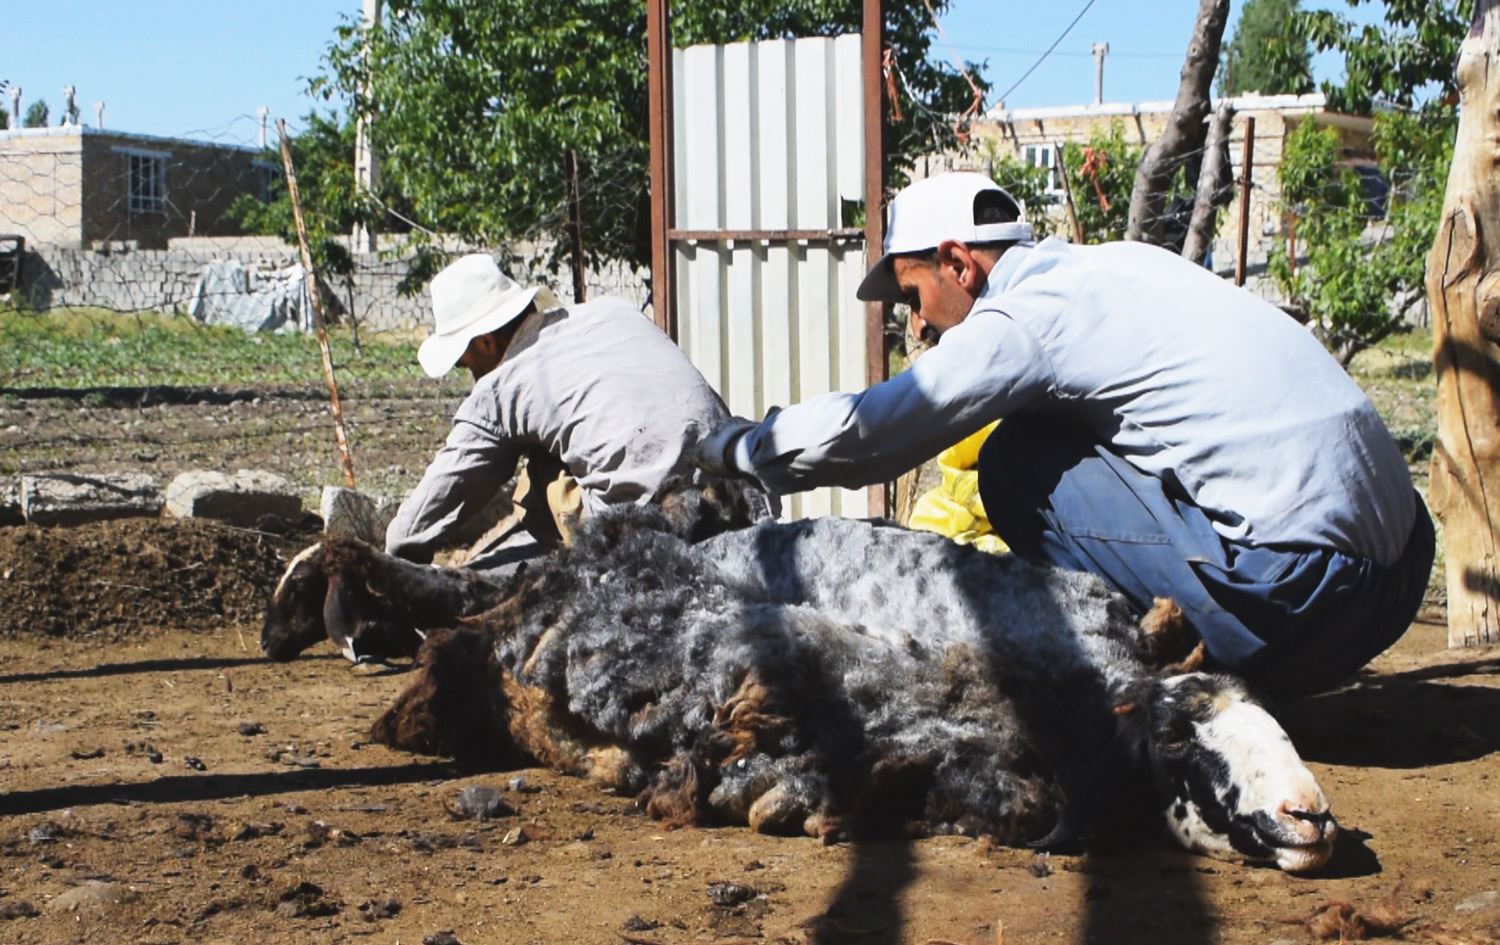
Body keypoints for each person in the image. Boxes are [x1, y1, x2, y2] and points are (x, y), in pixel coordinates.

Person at [694, 171, 1434, 696]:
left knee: (1015, 462)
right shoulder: (1121, 266)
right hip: (1399, 575)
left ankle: (1137, 679)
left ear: (958, 262)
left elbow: (874, 432)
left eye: (914, 296)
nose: (915, 324)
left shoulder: (1027, 317)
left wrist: (740, 447)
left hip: (1303, 602)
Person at [385, 253, 745, 564]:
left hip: (651, 533)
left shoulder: (501, 386)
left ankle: (587, 571)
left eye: (466, 363)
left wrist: (390, 567)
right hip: (735, 495)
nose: (471, 375)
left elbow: (421, 518)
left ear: (486, 342)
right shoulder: (612, 311)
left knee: (535, 478)